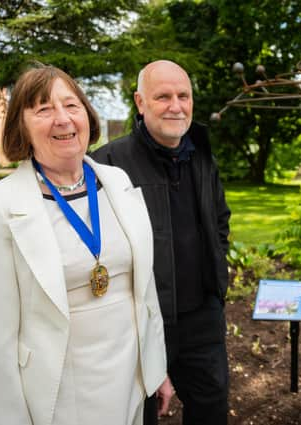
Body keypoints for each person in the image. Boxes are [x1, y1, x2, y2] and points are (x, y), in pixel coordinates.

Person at [0, 64, 172, 425]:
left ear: (87, 115)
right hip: (59, 395)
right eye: (43, 109)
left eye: (71, 105)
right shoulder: (0, 206)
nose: (62, 119)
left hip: (129, 378)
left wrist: (157, 368)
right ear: (22, 126)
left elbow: (144, 291)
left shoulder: (118, 182)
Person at [91, 60, 231, 425]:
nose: (176, 106)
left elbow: (220, 220)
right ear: (140, 102)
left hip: (203, 319)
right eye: (163, 96)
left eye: (183, 96)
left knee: (211, 409)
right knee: (142, 414)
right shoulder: (106, 165)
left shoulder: (201, 154)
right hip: (140, 323)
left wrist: (217, 280)